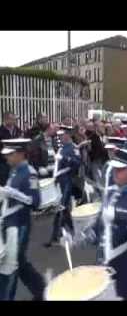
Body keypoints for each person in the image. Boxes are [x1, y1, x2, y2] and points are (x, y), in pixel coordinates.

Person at [62, 148, 127, 300]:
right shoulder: (110, 193)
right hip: (103, 267)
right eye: (115, 168)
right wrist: (77, 239)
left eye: (121, 169)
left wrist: (123, 216)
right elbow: (98, 229)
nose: (115, 172)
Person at [0, 139, 44, 300]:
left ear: (20, 154)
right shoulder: (14, 170)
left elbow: (35, 202)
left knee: (11, 265)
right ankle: (42, 290)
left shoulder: (29, 173)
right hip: (10, 221)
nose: (7, 158)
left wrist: (13, 193)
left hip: (20, 224)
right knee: (19, 262)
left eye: (10, 154)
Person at [44, 125, 81, 247]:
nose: (60, 137)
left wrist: (65, 158)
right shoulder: (62, 148)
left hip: (67, 181)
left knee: (60, 209)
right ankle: (76, 232)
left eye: (62, 135)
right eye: (59, 135)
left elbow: (77, 164)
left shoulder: (73, 148)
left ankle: (54, 237)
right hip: (60, 180)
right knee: (64, 210)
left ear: (68, 135)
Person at [0, 113, 23, 186]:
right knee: (5, 183)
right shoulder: (1, 131)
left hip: (16, 161)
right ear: (6, 120)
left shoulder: (17, 130)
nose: (14, 121)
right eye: (12, 119)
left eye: (14, 119)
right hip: (4, 162)